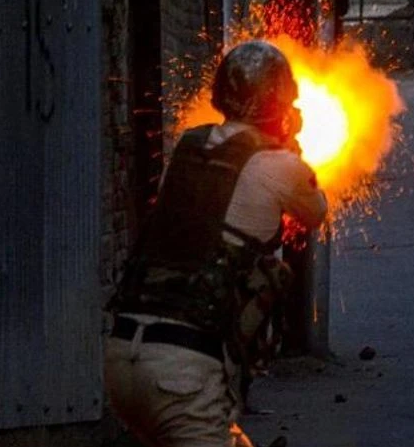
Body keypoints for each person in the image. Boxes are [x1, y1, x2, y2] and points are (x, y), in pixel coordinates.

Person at [104, 40, 328, 447]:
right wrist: (290, 149)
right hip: (183, 373)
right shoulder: (282, 165)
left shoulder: (188, 146)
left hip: (122, 358)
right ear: (278, 102)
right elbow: (315, 212)